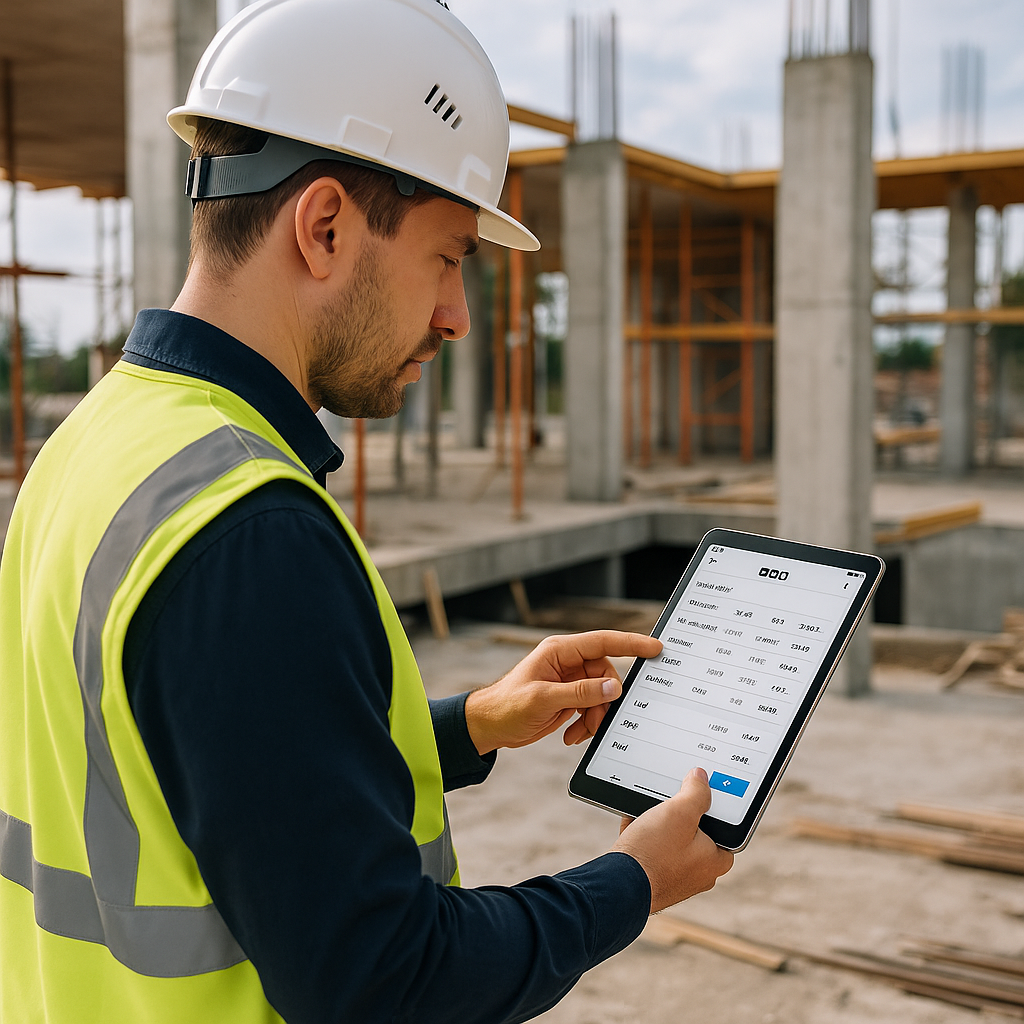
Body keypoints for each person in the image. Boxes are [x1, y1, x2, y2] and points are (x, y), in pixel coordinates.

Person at [0, 1, 733, 1021]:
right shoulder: (248, 530)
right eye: (446, 257)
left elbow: (212, 772)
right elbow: (381, 977)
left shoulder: (99, 443)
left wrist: (470, 727)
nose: (456, 316)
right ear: (326, 224)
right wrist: (631, 883)